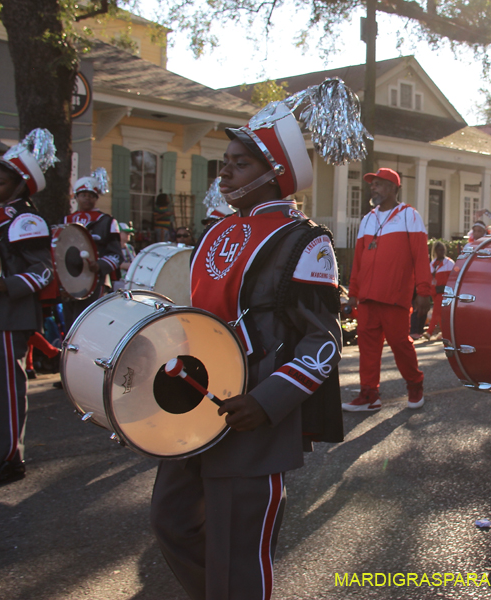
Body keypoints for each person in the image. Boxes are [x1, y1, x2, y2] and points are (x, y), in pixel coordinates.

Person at [151, 88, 353, 600]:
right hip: (194, 405)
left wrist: (266, 403)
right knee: (172, 521)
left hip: (253, 413)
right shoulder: (216, 231)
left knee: (240, 549)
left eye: (239, 164)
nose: (225, 174)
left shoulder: (305, 241)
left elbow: (324, 342)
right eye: (225, 164)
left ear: (274, 173)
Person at [0, 129, 57, 484]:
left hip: (11, 316)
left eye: (0, 182)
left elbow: (43, 270)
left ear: (19, 186)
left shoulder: (24, 220)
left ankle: (10, 458)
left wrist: (7, 284)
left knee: (7, 391)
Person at [342, 167, 433, 411]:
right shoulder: (367, 219)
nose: (373, 187)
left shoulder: (409, 215)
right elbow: (358, 260)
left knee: (400, 345)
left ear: (394, 188)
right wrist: (353, 293)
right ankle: (370, 395)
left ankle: (415, 384)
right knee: (367, 348)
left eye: (379, 184)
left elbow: (420, 257)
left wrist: (424, 291)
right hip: (368, 298)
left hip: (395, 297)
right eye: (372, 184)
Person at [63, 168, 123, 325]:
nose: (87, 199)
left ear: (96, 198)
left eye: (91, 196)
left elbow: (116, 254)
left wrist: (100, 265)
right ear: (76, 197)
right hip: (68, 280)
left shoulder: (107, 221)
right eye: (83, 195)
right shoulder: (66, 220)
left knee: (90, 319)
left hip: (95, 280)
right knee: (70, 321)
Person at [426, 241, 454, 340]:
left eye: (443, 249)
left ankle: (429, 332)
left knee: (436, 311)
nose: (441, 251)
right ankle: (445, 333)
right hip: (434, 291)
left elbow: (453, 279)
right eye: (439, 250)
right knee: (440, 314)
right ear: (435, 251)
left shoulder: (449, 263)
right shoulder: (433, 263)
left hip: (443, 292)